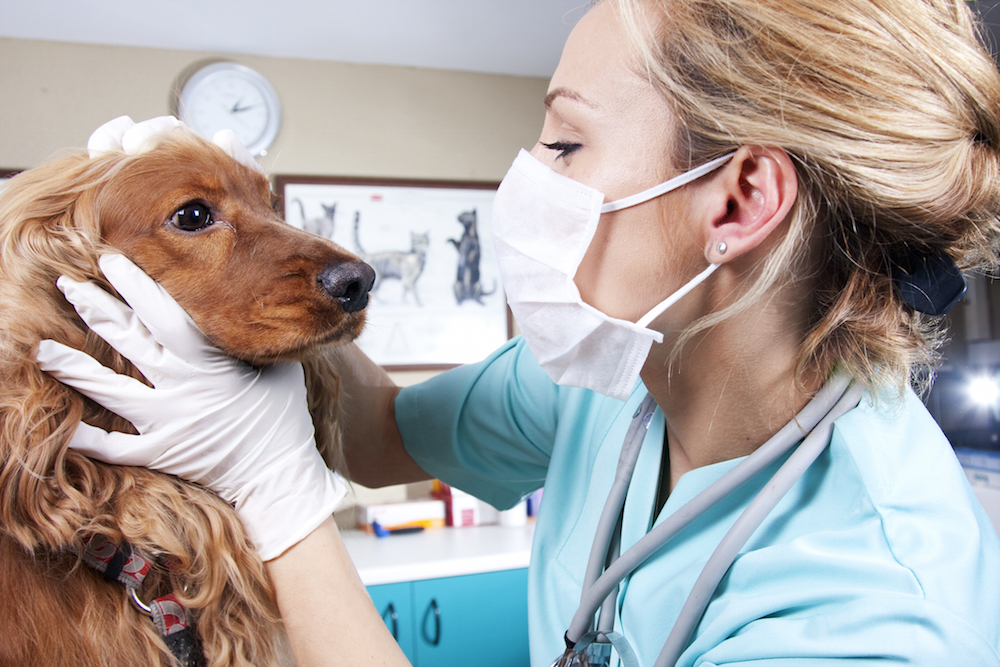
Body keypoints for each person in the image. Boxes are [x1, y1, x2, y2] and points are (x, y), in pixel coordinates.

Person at [36, 0, 1000, 664]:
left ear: (740, 199)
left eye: (566, 143)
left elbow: (314, 467)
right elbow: (375, 429)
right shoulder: (613, 378)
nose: (527, 175)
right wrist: (258, 287)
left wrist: (277, 496)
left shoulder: (878, 612)